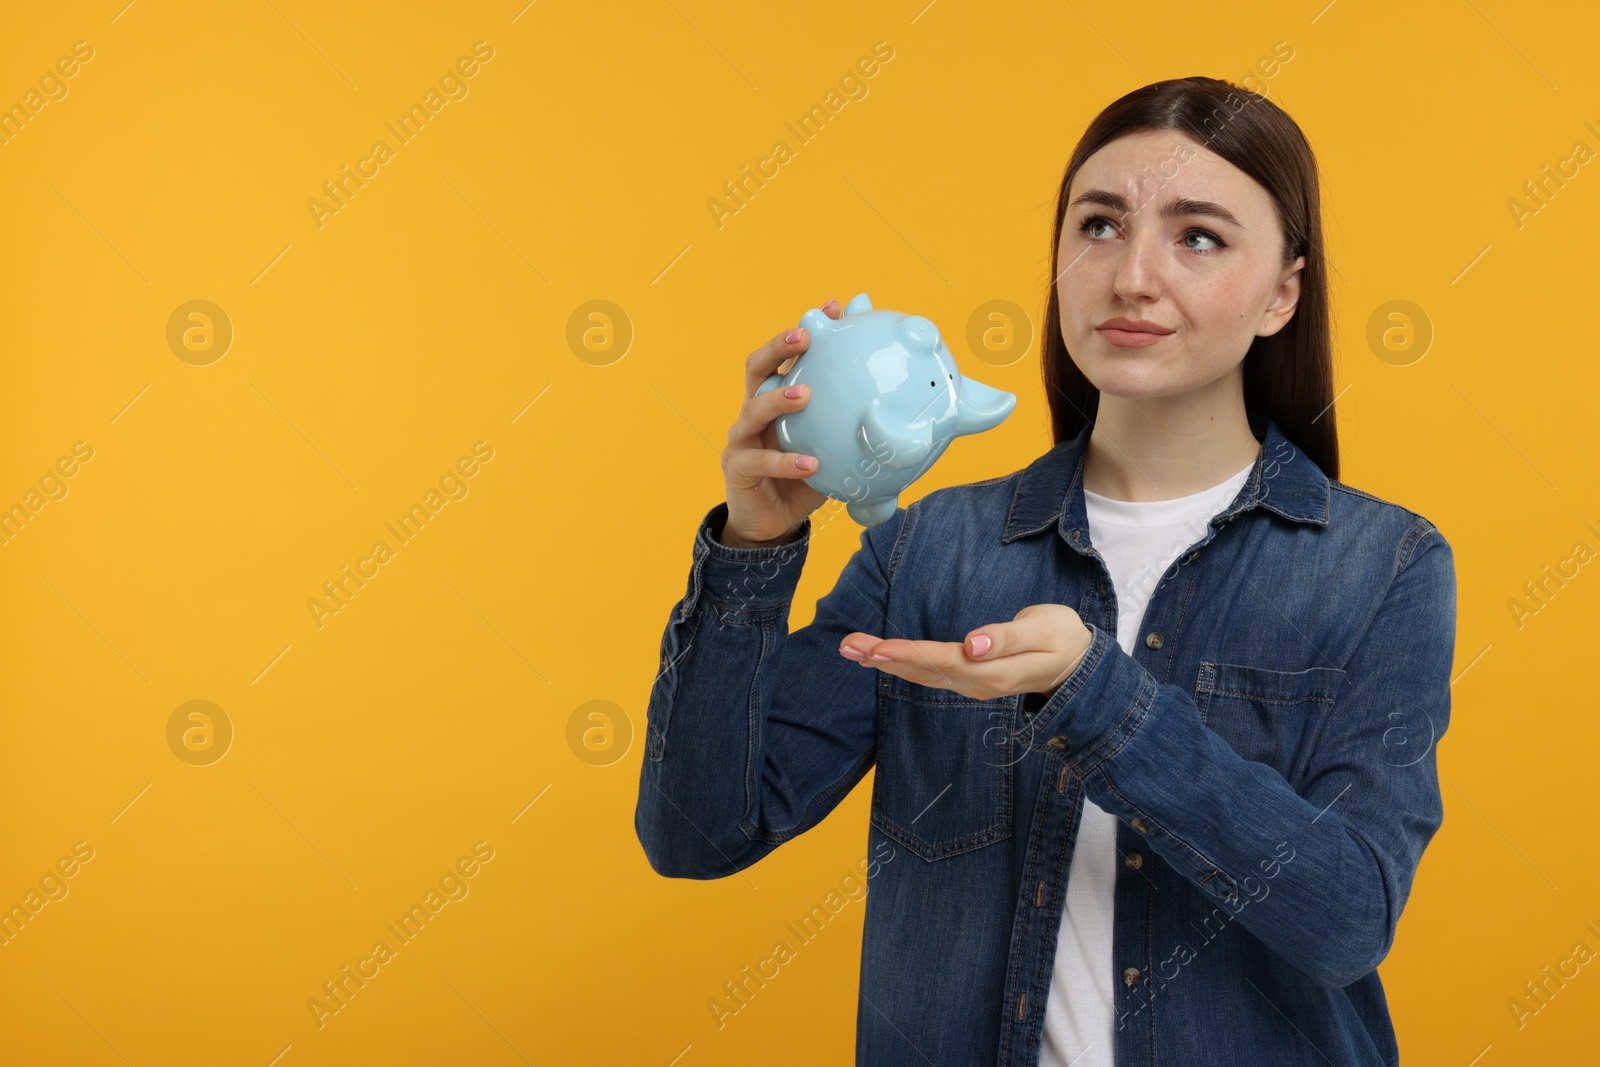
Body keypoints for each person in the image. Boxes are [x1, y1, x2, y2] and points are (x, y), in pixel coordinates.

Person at [634, 75, 1456, 1067]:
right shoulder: (928, 549)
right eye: (1100, 225)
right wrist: (751, 550)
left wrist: (1094, 695)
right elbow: (697, 833)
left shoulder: (1383, 567)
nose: (1131, 277)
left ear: (1283, 291)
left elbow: (1346, 915)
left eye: (1198, 236)